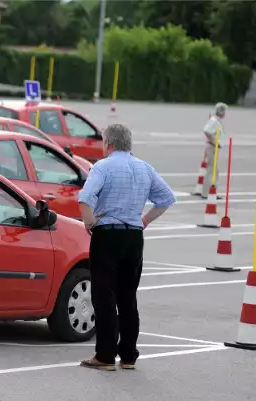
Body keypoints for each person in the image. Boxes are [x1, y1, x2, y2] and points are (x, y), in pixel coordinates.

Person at [77, 123, 176, 371]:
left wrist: (89, 221)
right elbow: (166, 198)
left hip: (108, 235)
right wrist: (145, 220)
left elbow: (85, 198)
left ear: (108, 143)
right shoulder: (144, 168)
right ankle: (129, 355)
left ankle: (105, 355)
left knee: (104, 295)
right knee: (127, 297)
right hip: (133, 237)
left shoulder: (102, 166)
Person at [201, 103, 227, 198]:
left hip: (214, 147)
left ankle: (209, 191)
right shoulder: (214, 120)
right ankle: (208, 192)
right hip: (212, 147)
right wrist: (215, 142)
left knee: (213, 170)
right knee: (212, 170)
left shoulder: (216, 120)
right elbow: (207, 131)